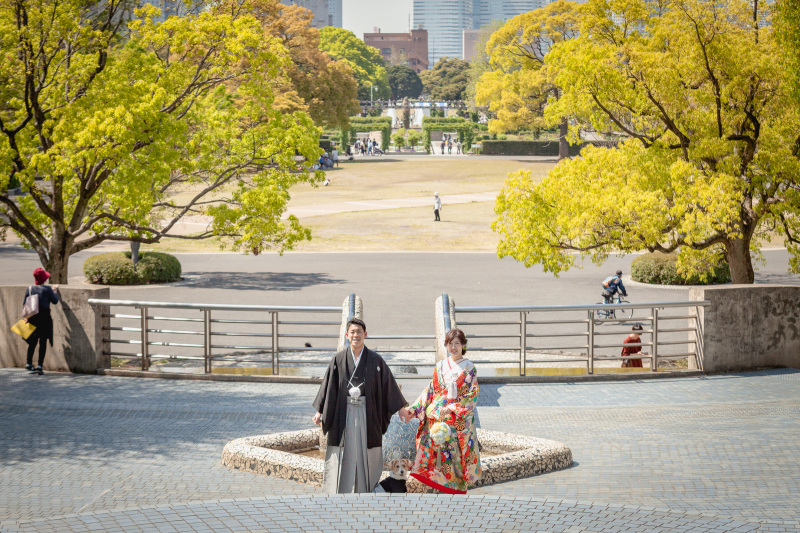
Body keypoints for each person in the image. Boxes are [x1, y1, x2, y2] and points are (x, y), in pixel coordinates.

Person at [312, 318, 410, 493]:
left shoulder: (375, 360)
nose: (356, 335)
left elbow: (388, 384)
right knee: (346, 451)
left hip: (367, 413)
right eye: (352, 332)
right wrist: (320, 411)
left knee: (367, 450)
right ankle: (342, 489)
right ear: (347, 335)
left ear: (365, 335)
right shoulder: (339, 359)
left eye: (359, 332)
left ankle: (367, 488)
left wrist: (401, 407)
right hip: (345, 413)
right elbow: (328, 387)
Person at [403, 328, 481, 494]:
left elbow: (472, 395)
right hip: (437, 415)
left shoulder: (469, 368)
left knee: (454, 453)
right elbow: (430, 390)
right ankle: (437, 483)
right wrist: (415, 409)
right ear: (446, 345)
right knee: (435, 449)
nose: (453, 347)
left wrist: (452, 408)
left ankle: (454, 485)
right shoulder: (440, 366)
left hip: (456, 417)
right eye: (450, 344)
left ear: (463, 345)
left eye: (457, 344)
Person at [23, 268, 60, 375]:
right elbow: (55, 301)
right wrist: (54, 290)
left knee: (32, 342)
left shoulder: (29, 289)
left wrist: (26, 318)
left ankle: (29, 363)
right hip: (44, 320)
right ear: (44, 279)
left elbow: (25, 304)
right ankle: (39, 366)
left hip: (32, 319)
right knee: (43, 343)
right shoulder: (47, 289)